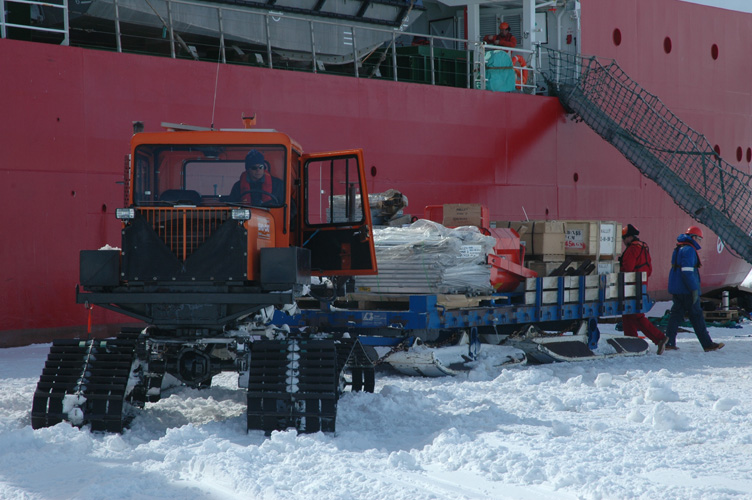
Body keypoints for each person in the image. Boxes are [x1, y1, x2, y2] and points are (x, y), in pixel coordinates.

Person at [665, 226, 725, 352]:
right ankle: (707, 344)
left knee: (675, 316)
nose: (699, 242)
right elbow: (687, 272)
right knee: (697, 316)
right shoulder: (689, 250)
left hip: (677, 289)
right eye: (699, 239)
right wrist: (694, 290)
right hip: (687, 290)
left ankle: (669, 342)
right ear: (693, 237)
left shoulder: (678, 249)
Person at [619, 224, 668, 355]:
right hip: (642, 285)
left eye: (624, 239)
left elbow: (627, 270)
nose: (623, 242)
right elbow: (649, 270)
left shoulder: (632, 249)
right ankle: (632, 343)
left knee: (636, 315)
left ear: (629, 237)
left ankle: (659, 338)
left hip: (632, 286)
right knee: (628, 315)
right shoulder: (644, 248)